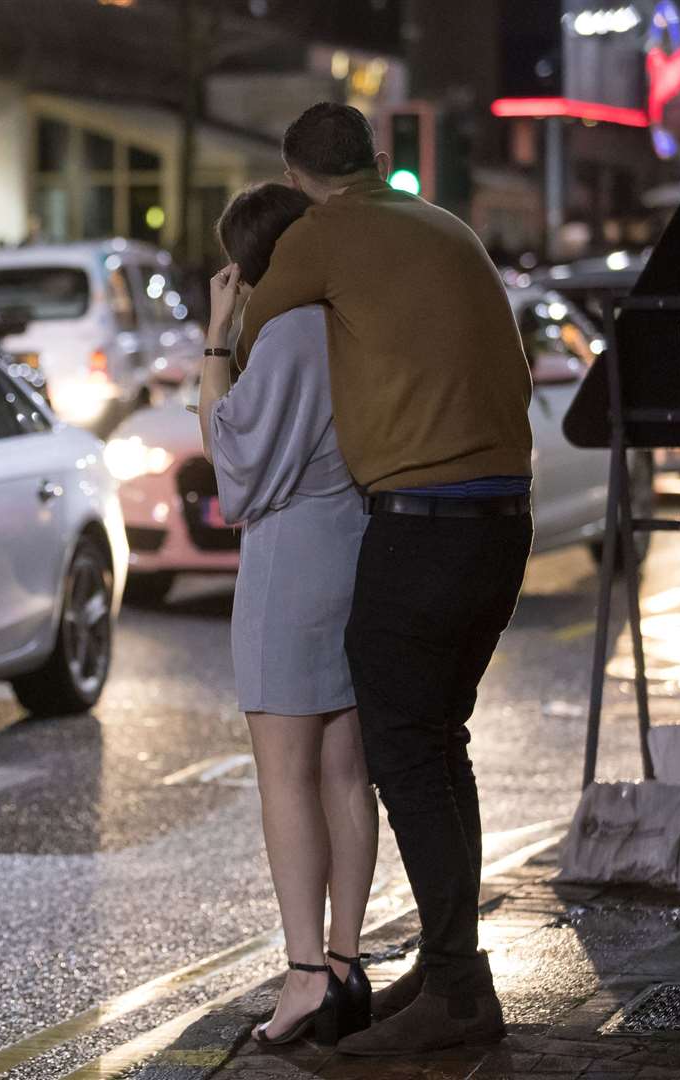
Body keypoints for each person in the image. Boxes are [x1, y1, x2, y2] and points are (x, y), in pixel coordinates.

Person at [234, 103, 533, 1055]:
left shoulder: (322, 234)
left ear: (296, 176)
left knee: (404, 749)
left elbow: (254, 334)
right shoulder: (446, 225)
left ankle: (458, 995)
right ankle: (451, 968)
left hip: (423, 523)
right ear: (382, 158)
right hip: (504, 518)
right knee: (439, 743)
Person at [199, 184, 378, 1048]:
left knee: (285, 777)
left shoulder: (284, 337)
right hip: (354, 549)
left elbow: (232, 468)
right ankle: (345, 962)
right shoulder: (351, 320)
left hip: (290, 564)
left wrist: (214, 341)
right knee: (348, 771)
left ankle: (305, 974)